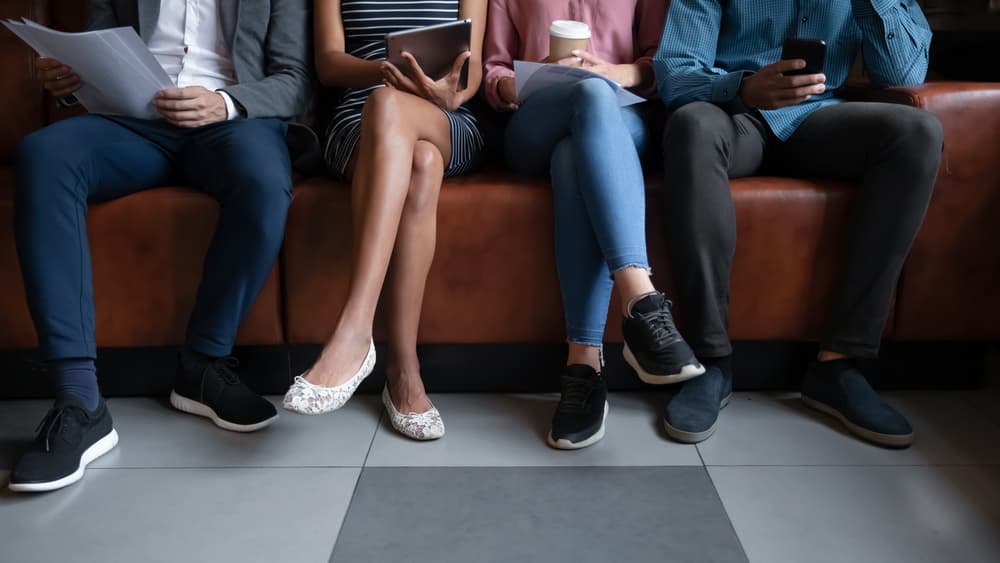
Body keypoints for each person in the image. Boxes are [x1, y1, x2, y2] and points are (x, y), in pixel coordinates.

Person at [8, 0, 312, 493]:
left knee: (262, 183)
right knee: (43, 155)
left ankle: (202, 365)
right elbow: (95, 53)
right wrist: (70, 80)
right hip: (132, 124)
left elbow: (295, 78)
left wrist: (225, 103)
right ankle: (78, 401)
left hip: (232, 123)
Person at [654, 0, 943, 447]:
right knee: (691, 124)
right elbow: (675, 74)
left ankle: (838, 364)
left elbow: (904, 74)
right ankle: (711, 360)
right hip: (735, 115)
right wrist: (745, 88)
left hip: (821, 117)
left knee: (918, 132)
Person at [484, 0, 704, 450]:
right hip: (535, 121)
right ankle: (642, 302)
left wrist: (619, 72)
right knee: (587, 95)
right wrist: (531, 76)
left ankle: (583, 366)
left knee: (575, 151)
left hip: (622, 122)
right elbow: (492, 75)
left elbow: (665, 60)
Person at [281, 0, 487, 441]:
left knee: (397, 115)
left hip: (444, 117)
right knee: (420, 161)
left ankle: (355, 332)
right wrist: (382, 74)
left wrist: (452, 93)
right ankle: (403, 371)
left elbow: (473, 70)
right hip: (358, 120)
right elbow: (329, 63)